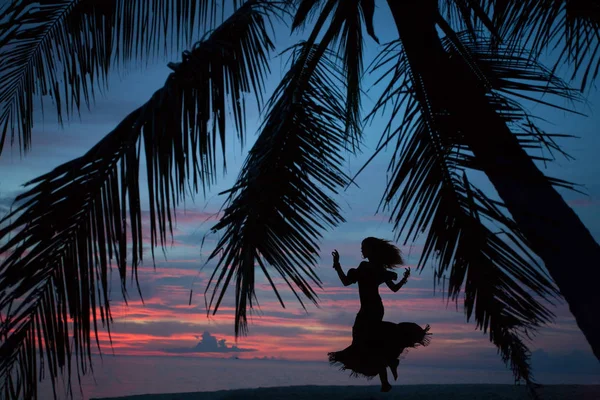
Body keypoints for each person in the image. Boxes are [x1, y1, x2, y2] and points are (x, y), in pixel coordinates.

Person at [328, 237, 431, 392]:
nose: (361, 250)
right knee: (371, 343)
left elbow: (347, 282)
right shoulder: (374, 269)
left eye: (364, 247)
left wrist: (403, 280)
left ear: (371, 249)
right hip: (373, 308)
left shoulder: (371, 268)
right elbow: (347, 282)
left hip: (371, 309)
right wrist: (337, 265)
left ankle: (387, 371)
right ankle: (387, 374)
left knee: (362, 339)